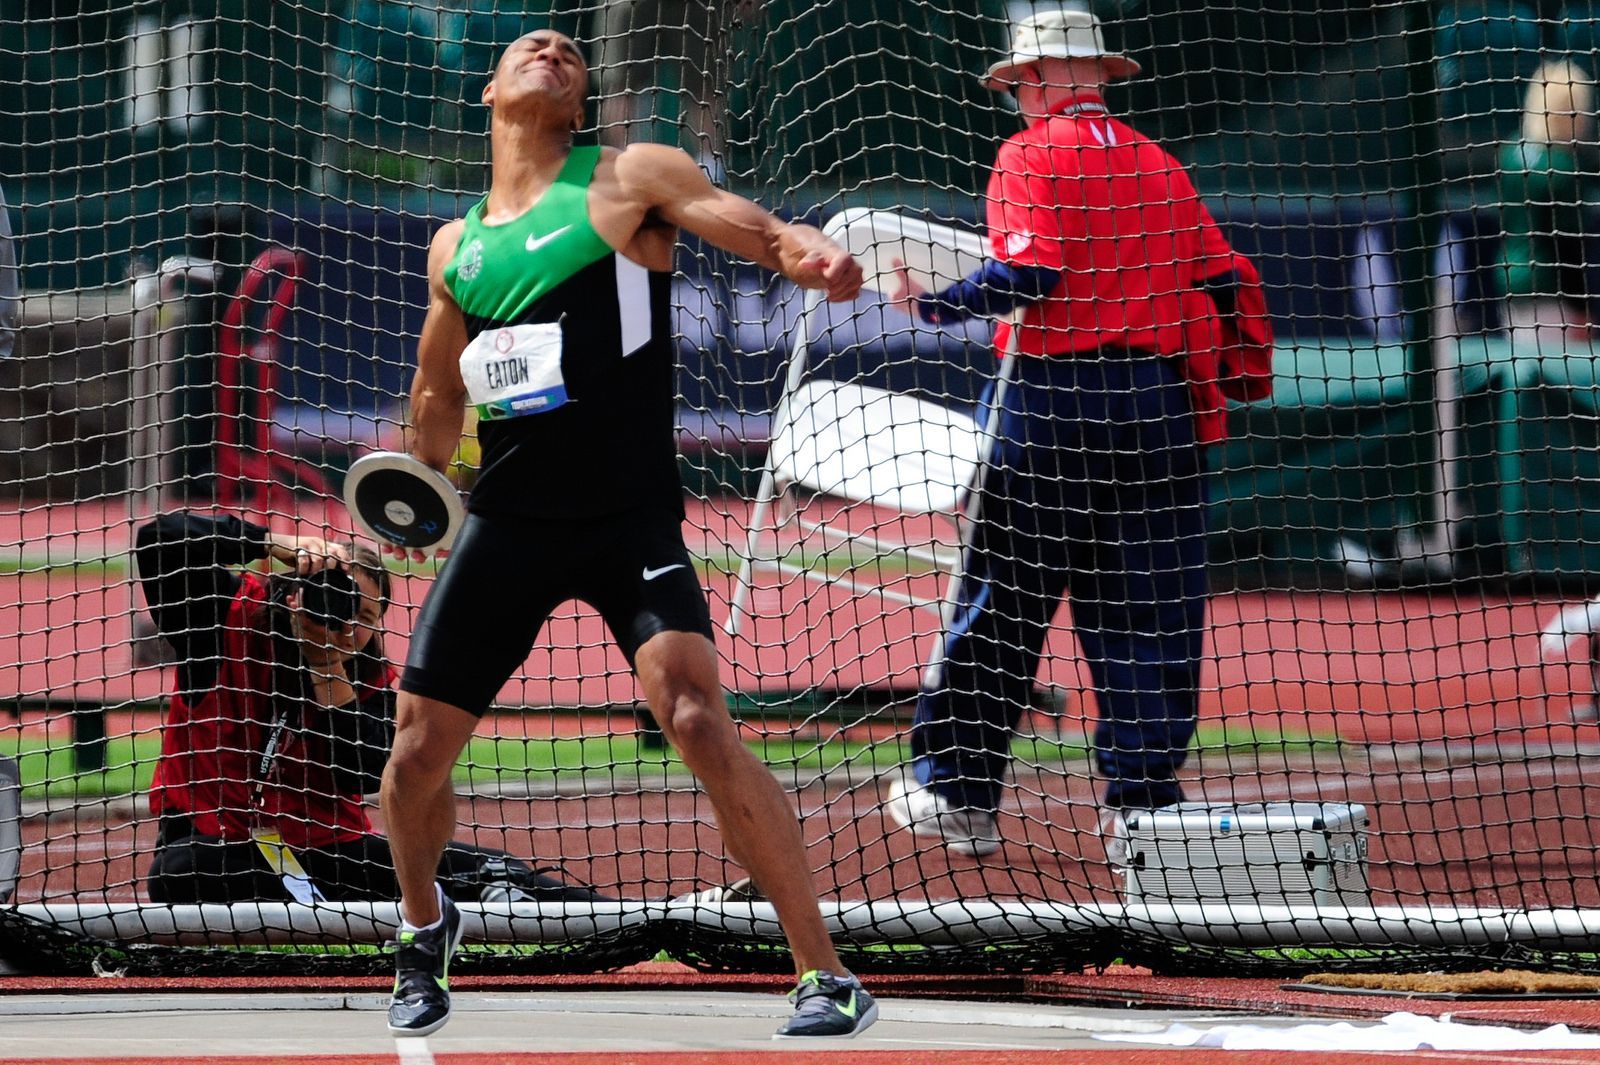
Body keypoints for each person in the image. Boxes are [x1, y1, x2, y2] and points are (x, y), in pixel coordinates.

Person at [379, 28, 875, 1040]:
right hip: (511, 523)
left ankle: (826, 976)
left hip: (627, 515)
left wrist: (805, 255)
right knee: (416, 755)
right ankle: (424, 927)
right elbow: (434, 402)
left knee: (694, 719)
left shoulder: (627, 177)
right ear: (488, 92)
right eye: (530, 43)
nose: (553, 47)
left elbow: (754, 229)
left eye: (568, 49)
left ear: (582, 94)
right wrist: (409, 489)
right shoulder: (456, 245)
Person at [882, 10, 1273, 861]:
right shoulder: (1161, 162)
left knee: (1003, 602)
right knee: (1154, 613)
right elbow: (1221, 278)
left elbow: (1033, 268)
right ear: (1097, 75)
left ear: (1052, 77)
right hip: (1161, 406)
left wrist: (938, 299)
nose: (1019, 96)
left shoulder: (1031, 152)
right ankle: (1143, 804)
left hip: (1053, 399)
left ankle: (956, 788)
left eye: (1024, 81)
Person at [134, 512, 602, 906]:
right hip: (221, 847)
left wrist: (327, 668)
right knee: (176, 873)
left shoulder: (372, 675)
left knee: (497, 868)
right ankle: (389, 902)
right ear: (294, 591)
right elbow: (160, 540)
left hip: (334, 851)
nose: (345, 623)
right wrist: (277, 543)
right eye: (335, 600)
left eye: (363, 617)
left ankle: (636, 916)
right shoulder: (224, 616)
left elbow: (362, 774)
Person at [1495, 59, 1598, 353]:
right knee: (1549, 386)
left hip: (1512, 283)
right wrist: (1581, 309)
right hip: (1551, 294)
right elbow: (1567, 247)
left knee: (1524, 368)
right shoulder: (1562, 169)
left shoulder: (1511, 153)